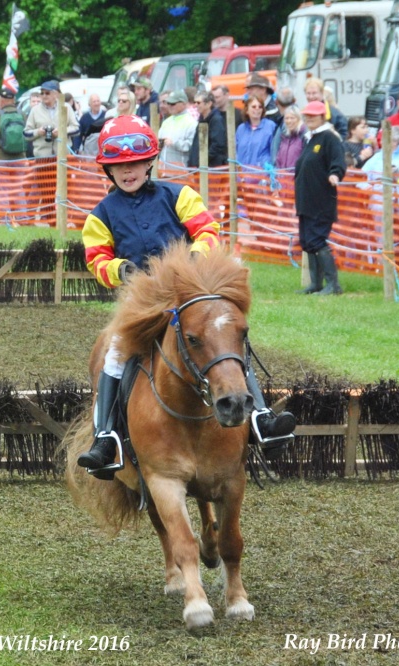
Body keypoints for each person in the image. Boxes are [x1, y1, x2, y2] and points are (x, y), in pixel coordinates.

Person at [76, 115, 295, 478]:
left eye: (135, 163)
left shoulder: (180, 195)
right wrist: (120, 271)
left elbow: (207, 229)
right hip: (142, 303)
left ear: (150, 163)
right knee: (114, 353)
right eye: (118, 166)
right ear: (107, 170)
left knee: (226, 337)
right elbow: (95, 260)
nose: (127, 171)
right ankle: (106, 438)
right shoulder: (98, 216)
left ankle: (260, 417)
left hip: (188, 294)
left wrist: (195, 257)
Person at [294, 101, 346, 296]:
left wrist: (335, 174)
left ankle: (333, 285)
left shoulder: (330, 138)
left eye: (313, 116)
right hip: (306, 201)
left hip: (321, 201)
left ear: (323, 117)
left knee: (317, 240)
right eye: (307, 116)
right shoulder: (310, 139)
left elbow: (338, 161)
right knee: (307, 241)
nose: (309, 119)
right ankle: (316, 283)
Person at [24, 80, 78, 158]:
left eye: (47, 93)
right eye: (42, 93)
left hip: (63, 158)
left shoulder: (66, 107)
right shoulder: (35, 110)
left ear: (55, 94)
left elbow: (77, 129)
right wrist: (38, 132)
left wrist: (62, 131)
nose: (44, 96)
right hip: (42, 158)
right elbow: (26, 133)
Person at [187, 92, 227, 168]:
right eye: (194, 102)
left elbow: (218, 144)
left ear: (209, 104)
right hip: (199, 166)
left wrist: (202, 160)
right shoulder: (201, 119)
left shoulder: (216, 120)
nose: (195, 105)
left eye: (198, 103)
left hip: (211, 167)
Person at [0, 87, 27, 161]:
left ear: (1, 102)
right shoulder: (22, 114)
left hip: (0, 158)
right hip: (20, 158)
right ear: (14, 101)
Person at [156, 90, 196, 166]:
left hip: (181, 172)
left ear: (184, 104)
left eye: (173, 104)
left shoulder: (191, 123)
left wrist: (174, 143)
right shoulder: (166, 122)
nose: (169, 106)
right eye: (168, 103)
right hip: (163, 171)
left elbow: (191, 147)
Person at [236, 97, 277, 168]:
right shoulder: (241, 129)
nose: (257, 109)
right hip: (242, 175)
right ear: (247, 110)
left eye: (260, 107)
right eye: (253, 107)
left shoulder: (270, 126)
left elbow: (275, 151)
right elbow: (236, 152)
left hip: (262, 174)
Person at [272, 104, 307, 170]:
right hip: (282, 177)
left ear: (299, 118)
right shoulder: (283, 136)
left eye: (292, 118)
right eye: (286, 118)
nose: (289, 121)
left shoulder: (304, 135)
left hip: (296, 177)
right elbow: (277, 157)